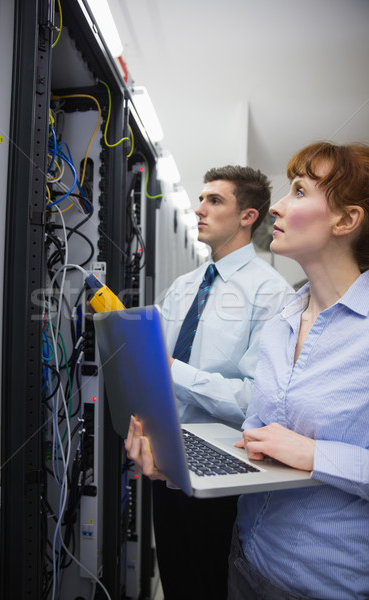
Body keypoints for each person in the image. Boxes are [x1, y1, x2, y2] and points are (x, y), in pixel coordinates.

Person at [126, 141, 369, 600]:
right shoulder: (282, 319)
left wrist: (315, 454)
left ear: (347, 220)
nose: (280, 203)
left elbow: (248, 410)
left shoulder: (270, 294)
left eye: (298, 191)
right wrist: (177, 460)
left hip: (323, 575)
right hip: (242, 538)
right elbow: (260, 430)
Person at [150, 166, 293, 599]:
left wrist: (173, 368)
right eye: (201, 198)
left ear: (248, 216)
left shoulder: (273, 294)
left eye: (215, 200)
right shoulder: (183, 285)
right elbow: (155, 367)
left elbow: (255, 401)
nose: (199, 209)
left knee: (210, 585)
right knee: (175, 581)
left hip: (222, 476)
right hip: (166, 459)